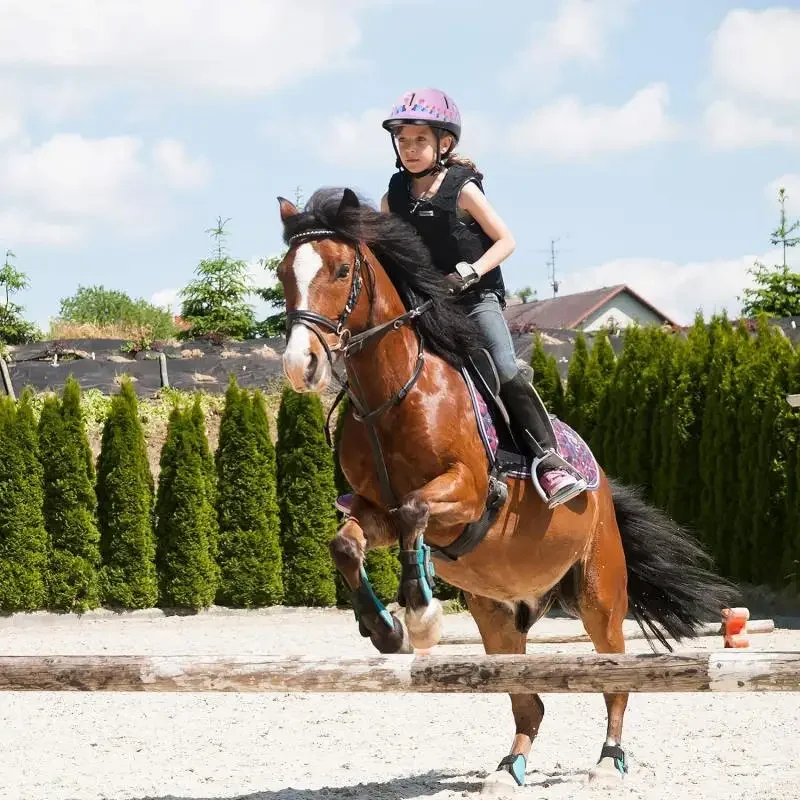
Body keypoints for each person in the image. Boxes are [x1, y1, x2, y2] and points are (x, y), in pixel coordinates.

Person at [335, 88, 586, 514]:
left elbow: (507, 241)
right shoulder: (391, 198)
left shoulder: (463, 190)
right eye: (402, 140)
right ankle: (376, 479)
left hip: (475, 300)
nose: (409, 149)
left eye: (419, 140)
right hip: (426, 305)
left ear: (444, 143)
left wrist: (470, 271)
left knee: (504, 367)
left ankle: (548, 458)